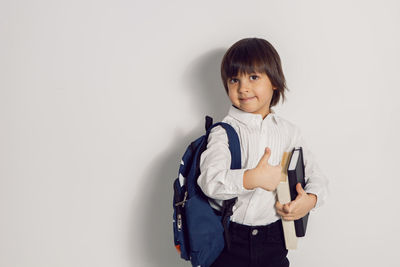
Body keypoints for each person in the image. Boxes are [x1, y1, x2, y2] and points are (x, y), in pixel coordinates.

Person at [197, 37, 329, 267]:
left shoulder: (288, 132)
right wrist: (251, 178)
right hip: (230, 241)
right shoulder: (224, 132)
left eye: (254, 77)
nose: (243, 87)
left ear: (275, 82)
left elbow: (317, 176)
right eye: (234, 79)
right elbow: (209, 181)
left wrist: (310, 200)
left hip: (274, 239)